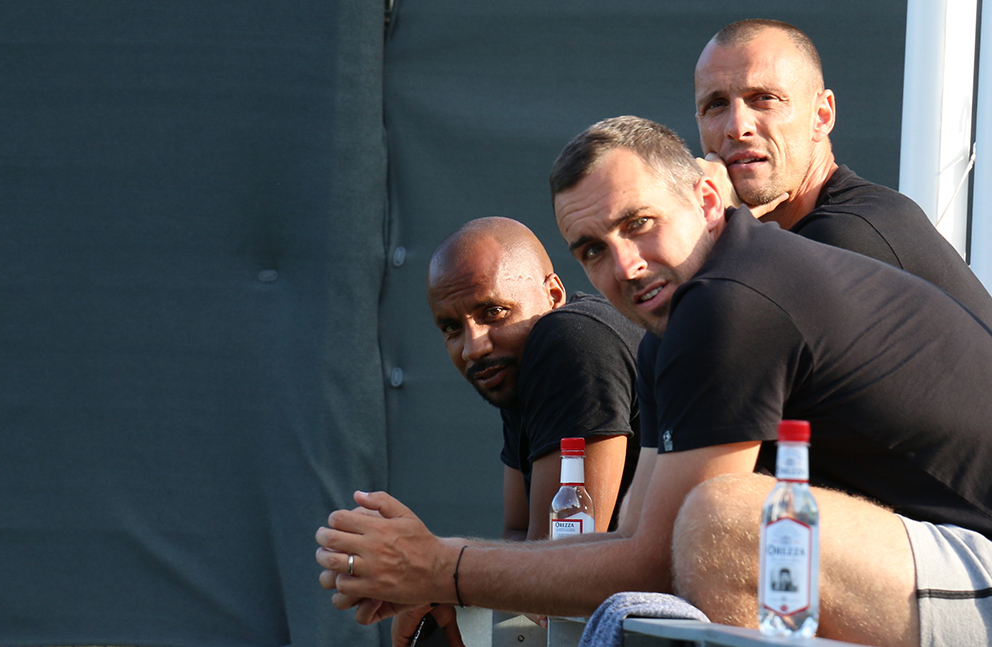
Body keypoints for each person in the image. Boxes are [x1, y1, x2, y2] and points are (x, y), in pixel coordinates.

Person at [316, 117, 992, 647]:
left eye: (638, 224)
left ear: (706, 199)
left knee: (731, 523)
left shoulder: (732, 300)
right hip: (930, 563)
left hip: (978, 565)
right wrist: (447, 570)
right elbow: (635, 538)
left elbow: (659, 562)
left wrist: (441, 567)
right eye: (592, 249)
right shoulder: (669, 333)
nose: (625, 266)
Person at [692, 18, 992, 324]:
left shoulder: (848, 234)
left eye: (764, 99)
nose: (737, 127)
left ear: (822, 116)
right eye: (716, 105)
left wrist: (711, 228)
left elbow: (709, 339)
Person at [426, 216, 643, 541]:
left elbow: (562, 558)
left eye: (494, 312)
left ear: (553, 295)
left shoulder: (571, 342)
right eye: (452, 328)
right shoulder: (512, 366)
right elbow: (519, 534)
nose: (474, 348)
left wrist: (429, 563)